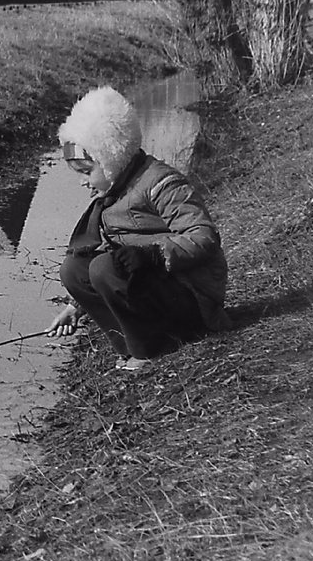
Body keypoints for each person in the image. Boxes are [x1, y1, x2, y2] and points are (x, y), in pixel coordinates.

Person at [46, 86, 229, 371]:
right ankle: (131, 346)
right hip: (160, 288)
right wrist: (75, 307)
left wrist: (154, 254)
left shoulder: (161, 183)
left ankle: (152, 348)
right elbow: (110, 248)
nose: (83, 182)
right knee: (74, 270)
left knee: (104, 268)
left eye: (86, 172)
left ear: (109, 158)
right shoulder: (115, 192)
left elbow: (204, 236)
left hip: (193, 296)